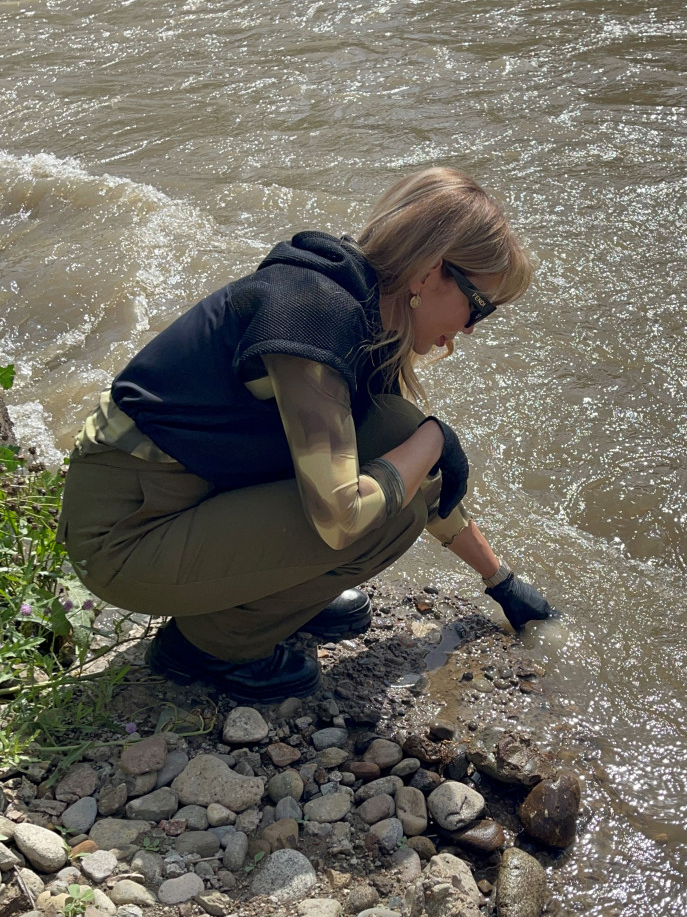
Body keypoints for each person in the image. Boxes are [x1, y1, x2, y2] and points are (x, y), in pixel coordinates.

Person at [57, 166, 556, 703]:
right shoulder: (315, 317)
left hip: (176, 499)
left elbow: (422, 474)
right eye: (478, 306)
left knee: (398, 435)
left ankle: (254, 603)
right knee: (392, 510)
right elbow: (343, 517)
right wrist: (436, 440)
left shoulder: (366, 311)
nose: (470, 329)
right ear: (430, 273)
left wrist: (501, 582)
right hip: (122, 538)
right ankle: (212, 644)